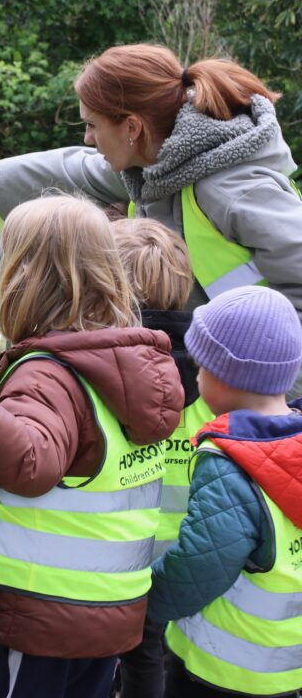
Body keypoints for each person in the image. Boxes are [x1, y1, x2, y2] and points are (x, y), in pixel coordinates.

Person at [0, 44, 302, 390]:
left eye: (92, 125)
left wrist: (266, 391)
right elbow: (70, 168)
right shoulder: (156, 164)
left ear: (131, 127)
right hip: (208, 382)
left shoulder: (233, 189)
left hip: (261, 396)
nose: (88, 139)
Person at [0, 194, 184, 698]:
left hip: (45, 611)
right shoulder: (122, 361)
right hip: (109, 603)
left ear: (24, 280)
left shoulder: (49, 372)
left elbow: (32, 462)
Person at [148, 285, 302, 698]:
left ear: (225, 377)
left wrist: (145, 602)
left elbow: (201, 566)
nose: (195, 377)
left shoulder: (230, 461)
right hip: (286, 671)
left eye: (200, 368)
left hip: (219, 672)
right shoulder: (295, 446)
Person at [111, 218, 215, 698]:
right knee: (163, 652)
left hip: (123, 550)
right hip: (191, 553)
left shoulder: (114, 368)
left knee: (133, 652)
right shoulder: (217, 370)